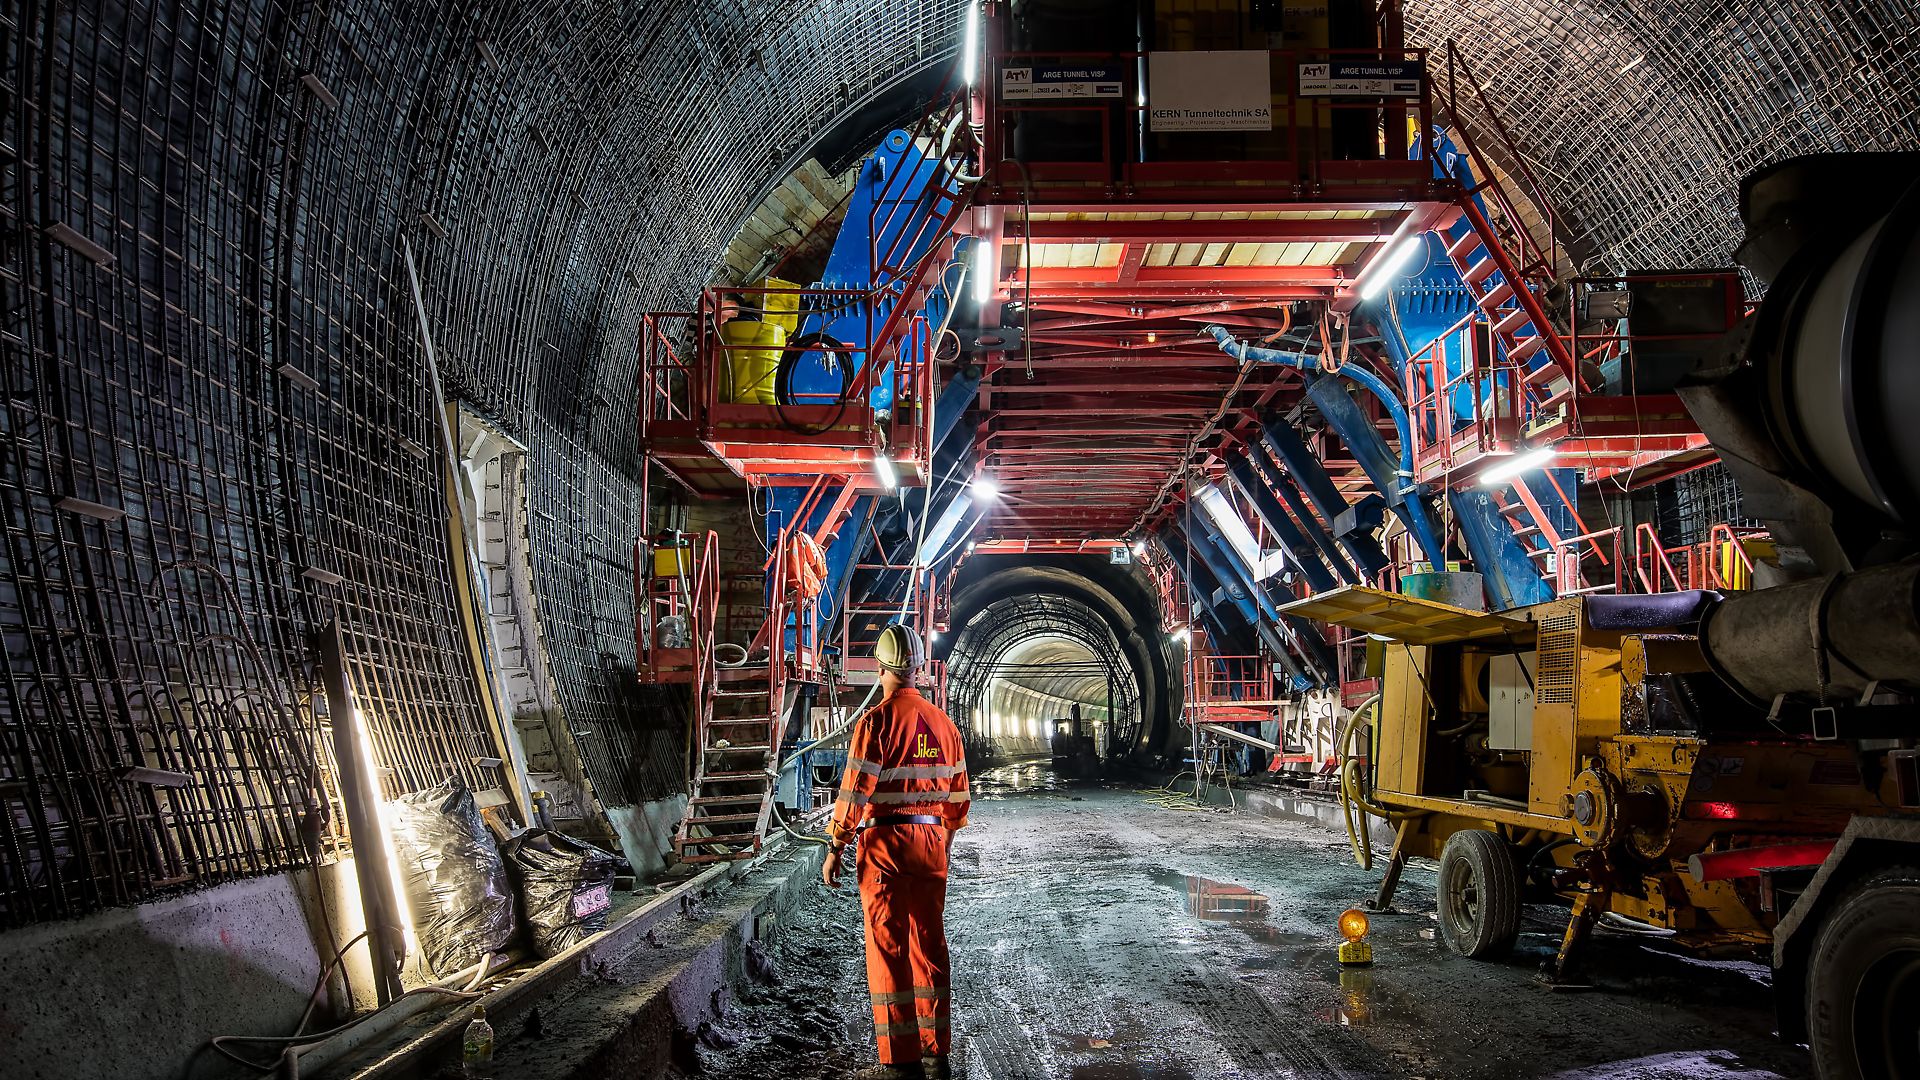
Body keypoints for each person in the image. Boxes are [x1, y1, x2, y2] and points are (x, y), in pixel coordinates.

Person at [823, 623, 969, 1080]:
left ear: (881, 668)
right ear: (920, 668)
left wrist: (836, 845)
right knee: (930, 945)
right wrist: (940, 843)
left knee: (889, 949)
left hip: (885, 847)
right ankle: (935, 1048)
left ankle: (899, 1056)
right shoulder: (945, 724)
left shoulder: (876, 721)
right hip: (930, 845)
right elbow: (958, 803)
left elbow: (854, 792)